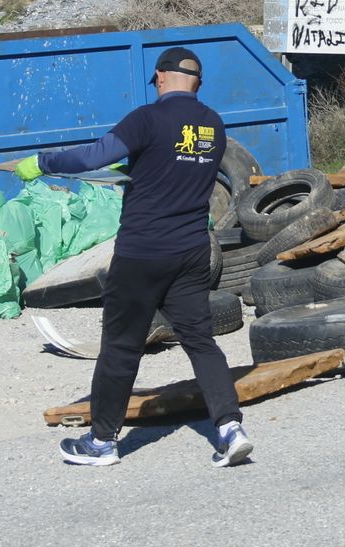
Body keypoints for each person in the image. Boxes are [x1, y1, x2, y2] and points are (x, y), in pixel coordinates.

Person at [14, 46, 252, 468]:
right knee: (200, 341)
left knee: (121, 347)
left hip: (143, 252)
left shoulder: (146, 118)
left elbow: (92, 157)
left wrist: (42, 162)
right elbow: (179, 170)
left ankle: (102, 441)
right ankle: (231, 428)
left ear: (160, 77)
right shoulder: (213, 126)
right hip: (192, 251)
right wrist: (137, 171)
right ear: (197, 83)